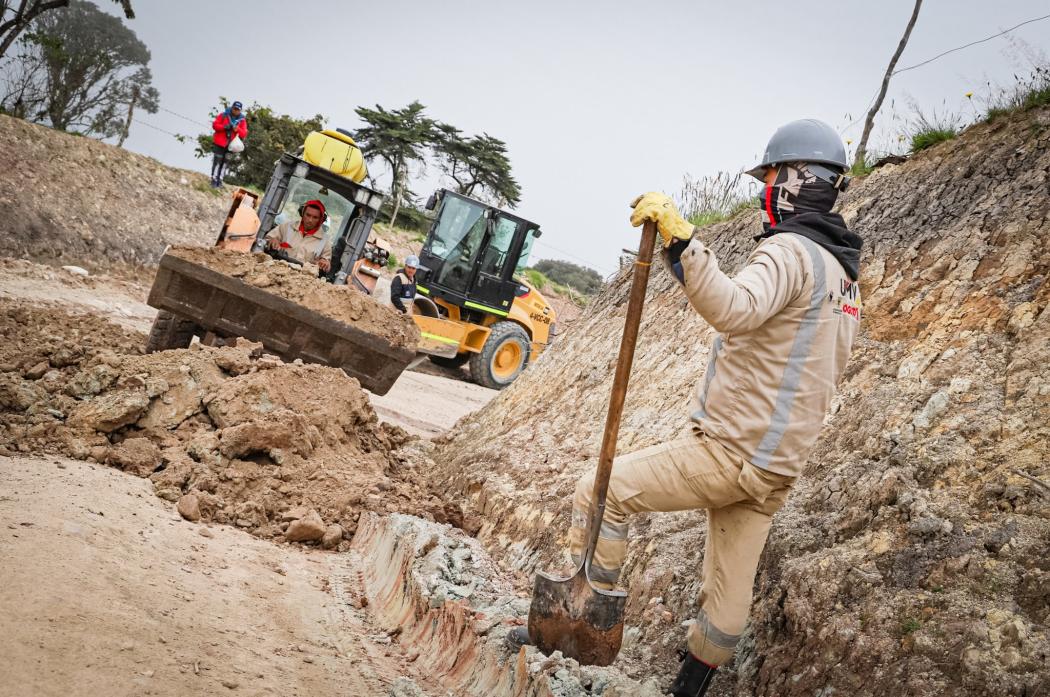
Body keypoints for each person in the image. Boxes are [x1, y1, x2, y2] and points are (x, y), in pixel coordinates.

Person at [509, 119, 864, 697]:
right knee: (728, 599)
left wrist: (681, 241)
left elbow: (733, 307)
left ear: (800, 179)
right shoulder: (845, 277)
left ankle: (582, 621)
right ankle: (688, 691)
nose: (764, 189)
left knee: (603, 490)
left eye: (771, 176)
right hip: (776, 470)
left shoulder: (790, 253)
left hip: (732, 452)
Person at [264, 200, 332, 272]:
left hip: (303, 278)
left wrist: (324, 263)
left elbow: (326, 263)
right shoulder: (287, 226)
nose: (310, 220)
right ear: (302, 213)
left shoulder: (325, 241)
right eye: (308, 215)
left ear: (321, 219)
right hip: (277, 269)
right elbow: (267, 239)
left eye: (315, 217)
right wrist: (272, 240)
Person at [211, 100, 247, 187]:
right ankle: (214, 179)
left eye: (238, 109)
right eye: (234, 108)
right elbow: (215, 125)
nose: (236, 111)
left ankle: (220, 180)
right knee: (217, 162)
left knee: (225, 163)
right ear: (232, 108)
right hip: (220, 143)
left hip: (231, 146)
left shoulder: (242, 120)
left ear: (240, 110)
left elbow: (244, 133)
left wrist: (237, 129)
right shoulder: (223, 115)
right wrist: (225, 127)